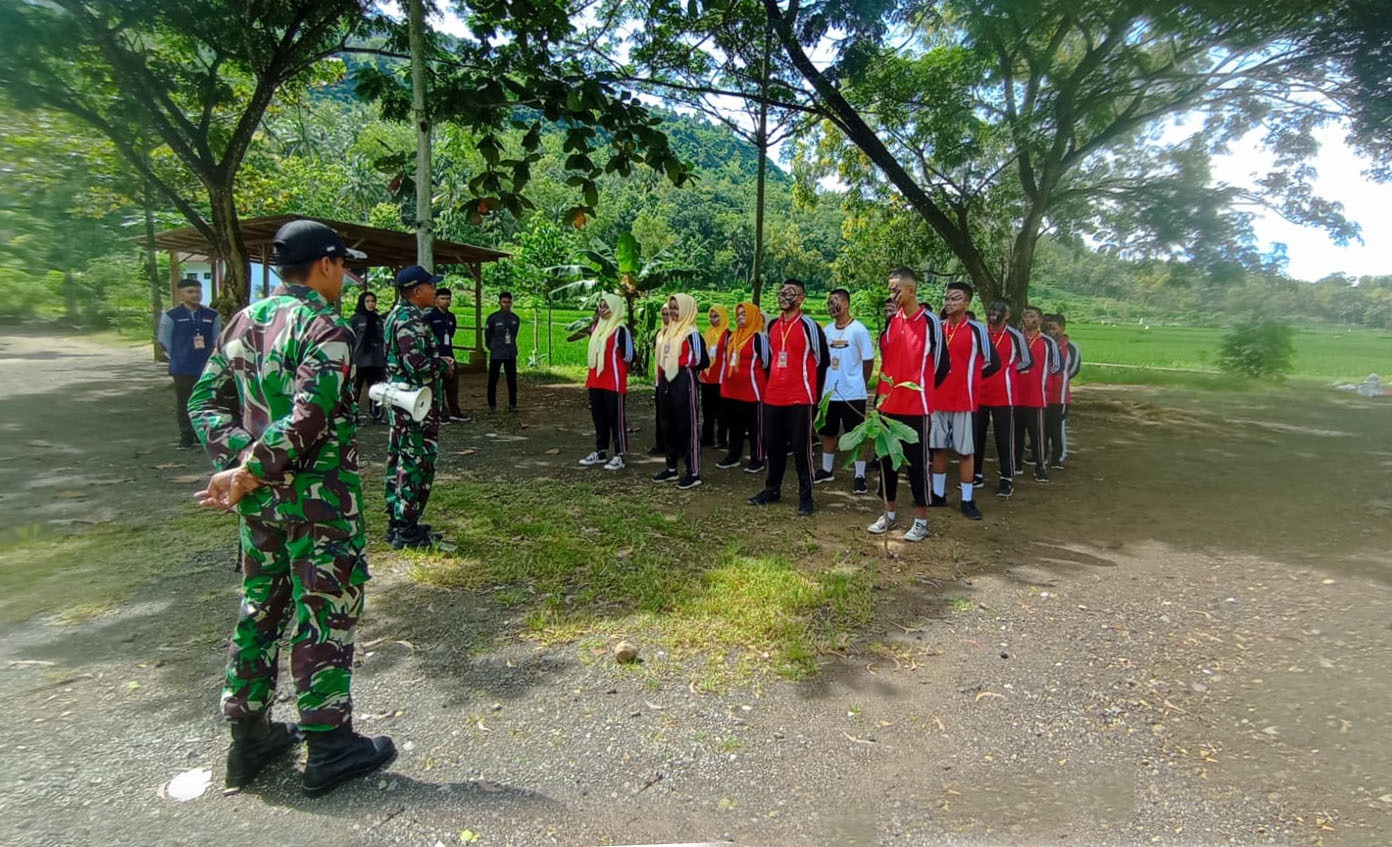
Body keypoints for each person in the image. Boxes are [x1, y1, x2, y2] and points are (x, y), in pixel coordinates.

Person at [187, 218, 394, 797]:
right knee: (323, 610)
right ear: (326, 264)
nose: (346, 276)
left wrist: (241, 464)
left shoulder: (243, 321)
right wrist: (249, 468)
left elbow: (203, 402)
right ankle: (329, 747)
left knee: (260, 609)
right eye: (343, 265)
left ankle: (248, 738)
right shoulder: (325, 326)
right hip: (319, 504)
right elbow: (310, 414)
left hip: (260, 506)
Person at [867, 267, 947, 542]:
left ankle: (921, 520)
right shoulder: (891, 322)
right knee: (887, 461)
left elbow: (942, 365)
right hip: (888, 406)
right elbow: (887, 361)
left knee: (917, 464)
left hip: (916, 407)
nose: (892, 294)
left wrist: (920, 389)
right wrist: (881, 399)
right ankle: (888, 513)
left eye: (896, 289)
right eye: (890, 289)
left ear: (911, 290)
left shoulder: (931, 322)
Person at [748, 279, 829, 516]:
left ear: (801, 298)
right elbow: (769, 359)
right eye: (782, 292)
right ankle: (772, 489)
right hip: (773, 397)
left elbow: (822, 360)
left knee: (801, 450)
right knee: (773, 447)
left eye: (790, 293)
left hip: (800, 398)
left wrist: (814, 395)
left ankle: (806, 497)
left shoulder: (808, 325)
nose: (784, 296)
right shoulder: (773, 325)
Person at [385, 266, 450, 548]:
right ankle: (406, 530)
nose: (434, 291)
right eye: (430, 286)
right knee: (416, 463)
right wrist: (442, 365)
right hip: (415, 406)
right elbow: (416, 364)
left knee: (400, 460)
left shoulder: (397, 315)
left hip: (404, 402)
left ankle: (399, 522)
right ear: (417, 291)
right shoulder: (409, 320)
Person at [929, 281, 1000, 520]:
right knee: (938, 448)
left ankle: (967, 500)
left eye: (956, 298)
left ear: (967, 303)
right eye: (948, 298)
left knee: (965, 451)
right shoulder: (938, 328)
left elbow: (993, 363)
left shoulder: (977, 330)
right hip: (938, 398)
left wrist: (972, 381)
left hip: (963, 400)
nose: (950, 303)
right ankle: (938, 494)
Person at [815, 288, 875, 495]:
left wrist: (860, 382)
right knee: (828, 432)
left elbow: (868, 361)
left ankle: (859, 475)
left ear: (847, 303)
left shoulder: (859, 330)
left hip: (853, 393)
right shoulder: (827, 331)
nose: (832, 306)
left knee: (856, 434)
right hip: (830, 392)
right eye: (829, 303)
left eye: (836, 302)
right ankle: (826, 469)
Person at [973, 300, 1031, 499]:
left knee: (1004, 437)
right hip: (979, 392)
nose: (993, 313)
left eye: (998, 311)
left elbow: (1027, 360)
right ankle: (976, 474)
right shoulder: (980, 332)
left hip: (1003, 394)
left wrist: (1009, 371)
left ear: (1007, 315)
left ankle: (1006, 477)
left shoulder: (1015, 336)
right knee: (977, 435)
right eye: (991, 309)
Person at [652, 293, 709, 489]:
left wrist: (681, 363)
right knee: (668, 424)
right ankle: (671, 467)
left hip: (684, 381)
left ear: (686, 309)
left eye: (677, 308)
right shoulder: (669, 331)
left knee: (687, 426)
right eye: (671, 307)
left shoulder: (691, 333)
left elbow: (702, 360)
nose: (673, 312)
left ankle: (693, 472)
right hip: (666, 380)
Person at [157, 277, 219, 448]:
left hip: (206, 367)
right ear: (180, 294)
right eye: (190, 292)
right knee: (184, 403)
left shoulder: (212, 315)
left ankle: (203, 435)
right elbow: (164, 340)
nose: (195, 295)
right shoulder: (171, 316)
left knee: (206, 402)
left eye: (198, 291)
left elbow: (217, 339)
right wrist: (177, 356)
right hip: (182, 367)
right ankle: (186, 437)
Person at [578, 293, 634, 471]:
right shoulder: (596, 327)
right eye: (600, 306)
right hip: (596, 380)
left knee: (615, 419)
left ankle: (620, 455)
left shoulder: (620, 330)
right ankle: (600, 451)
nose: (602, 310)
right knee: (599, 417)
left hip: (613, 381)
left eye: (606, 306)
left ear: (615, 308)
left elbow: (629, 355)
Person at [717, 302, 768, 473]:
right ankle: (733, 456)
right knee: (734, 425)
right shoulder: (733, 336)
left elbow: (767, 361)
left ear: (753, 316)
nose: (740, 317)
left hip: (752, 389)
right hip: (732, 389)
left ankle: (757, 459)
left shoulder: (758, 337)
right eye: (738, 314)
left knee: (755, 427)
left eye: (744, 314)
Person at [1014, 306, 1061, 483]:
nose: (1028, 319)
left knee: (1037, 434)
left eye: (1032, 316)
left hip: (1037, 395)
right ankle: (1015, 464)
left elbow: (1057, 366)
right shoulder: (1016, 338)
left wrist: (1044, 380)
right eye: (1026, 315)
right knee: (1016, 432)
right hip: (1016, 393)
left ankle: (1040, 466)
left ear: (1040, 320)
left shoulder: (1048, 342)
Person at [1043, 314, 1081, 468]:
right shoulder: (1043, 343)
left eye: (1053, 328)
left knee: (1057, 427)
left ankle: (1058, 456)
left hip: (1060, 395)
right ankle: (1042, 455)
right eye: (1047, 328)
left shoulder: (1071, 347)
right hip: (1043, 394)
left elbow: (1074, 369)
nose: (1050, 331)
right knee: (1043, 427)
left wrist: (1060, 379)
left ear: (1062, 328)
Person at [425, 286, 464, 422]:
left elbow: (451, 333)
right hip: (436, 355)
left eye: (448, 299)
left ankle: (455, 411)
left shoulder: (451, 317)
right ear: (436, 300)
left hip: (449, 354)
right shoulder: (430, 316)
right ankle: (441, 412)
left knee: (452, 385)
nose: (446, 301)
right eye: (442, 298)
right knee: (438, 387)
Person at [350, 291, 386, 424]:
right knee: (356, 390)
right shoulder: (355, 319)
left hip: (376, 360)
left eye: (373, 301)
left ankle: (377, 415)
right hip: (359, 360)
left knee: (376, 389)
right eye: (368, 301)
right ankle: (353, 416)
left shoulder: (378, 319)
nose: (371, 304)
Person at [698, 305, 731, 449]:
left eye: (716, 316)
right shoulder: (708, 332)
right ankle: (707, 437)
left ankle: (722, 439)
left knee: (721, 412)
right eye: (711, 317)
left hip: (721, 378)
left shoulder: (728, 335)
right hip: (707, 377)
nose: (713, 319)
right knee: (707, 410)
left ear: (723, 316)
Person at [484, 291, 521, 412]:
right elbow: (488, 335)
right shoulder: (493, 318)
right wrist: (493, 347)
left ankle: (513, 404)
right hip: (497, 353)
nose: (506, 304)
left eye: (508, 302)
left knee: (512, 380)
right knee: (493, 379)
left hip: (510, 353)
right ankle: (492, 404)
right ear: (499, 302)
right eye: (504, 302)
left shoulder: (515, 318)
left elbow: (515, 334)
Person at [647, 303, 672, 456]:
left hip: (673, 381)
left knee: (672, 414)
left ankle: (673, 445)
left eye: (668, 314)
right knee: (660, 413)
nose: (666, 317)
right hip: (660, 378)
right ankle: (660, 443)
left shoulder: (680, 334)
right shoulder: (660, 333)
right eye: (663, 314)